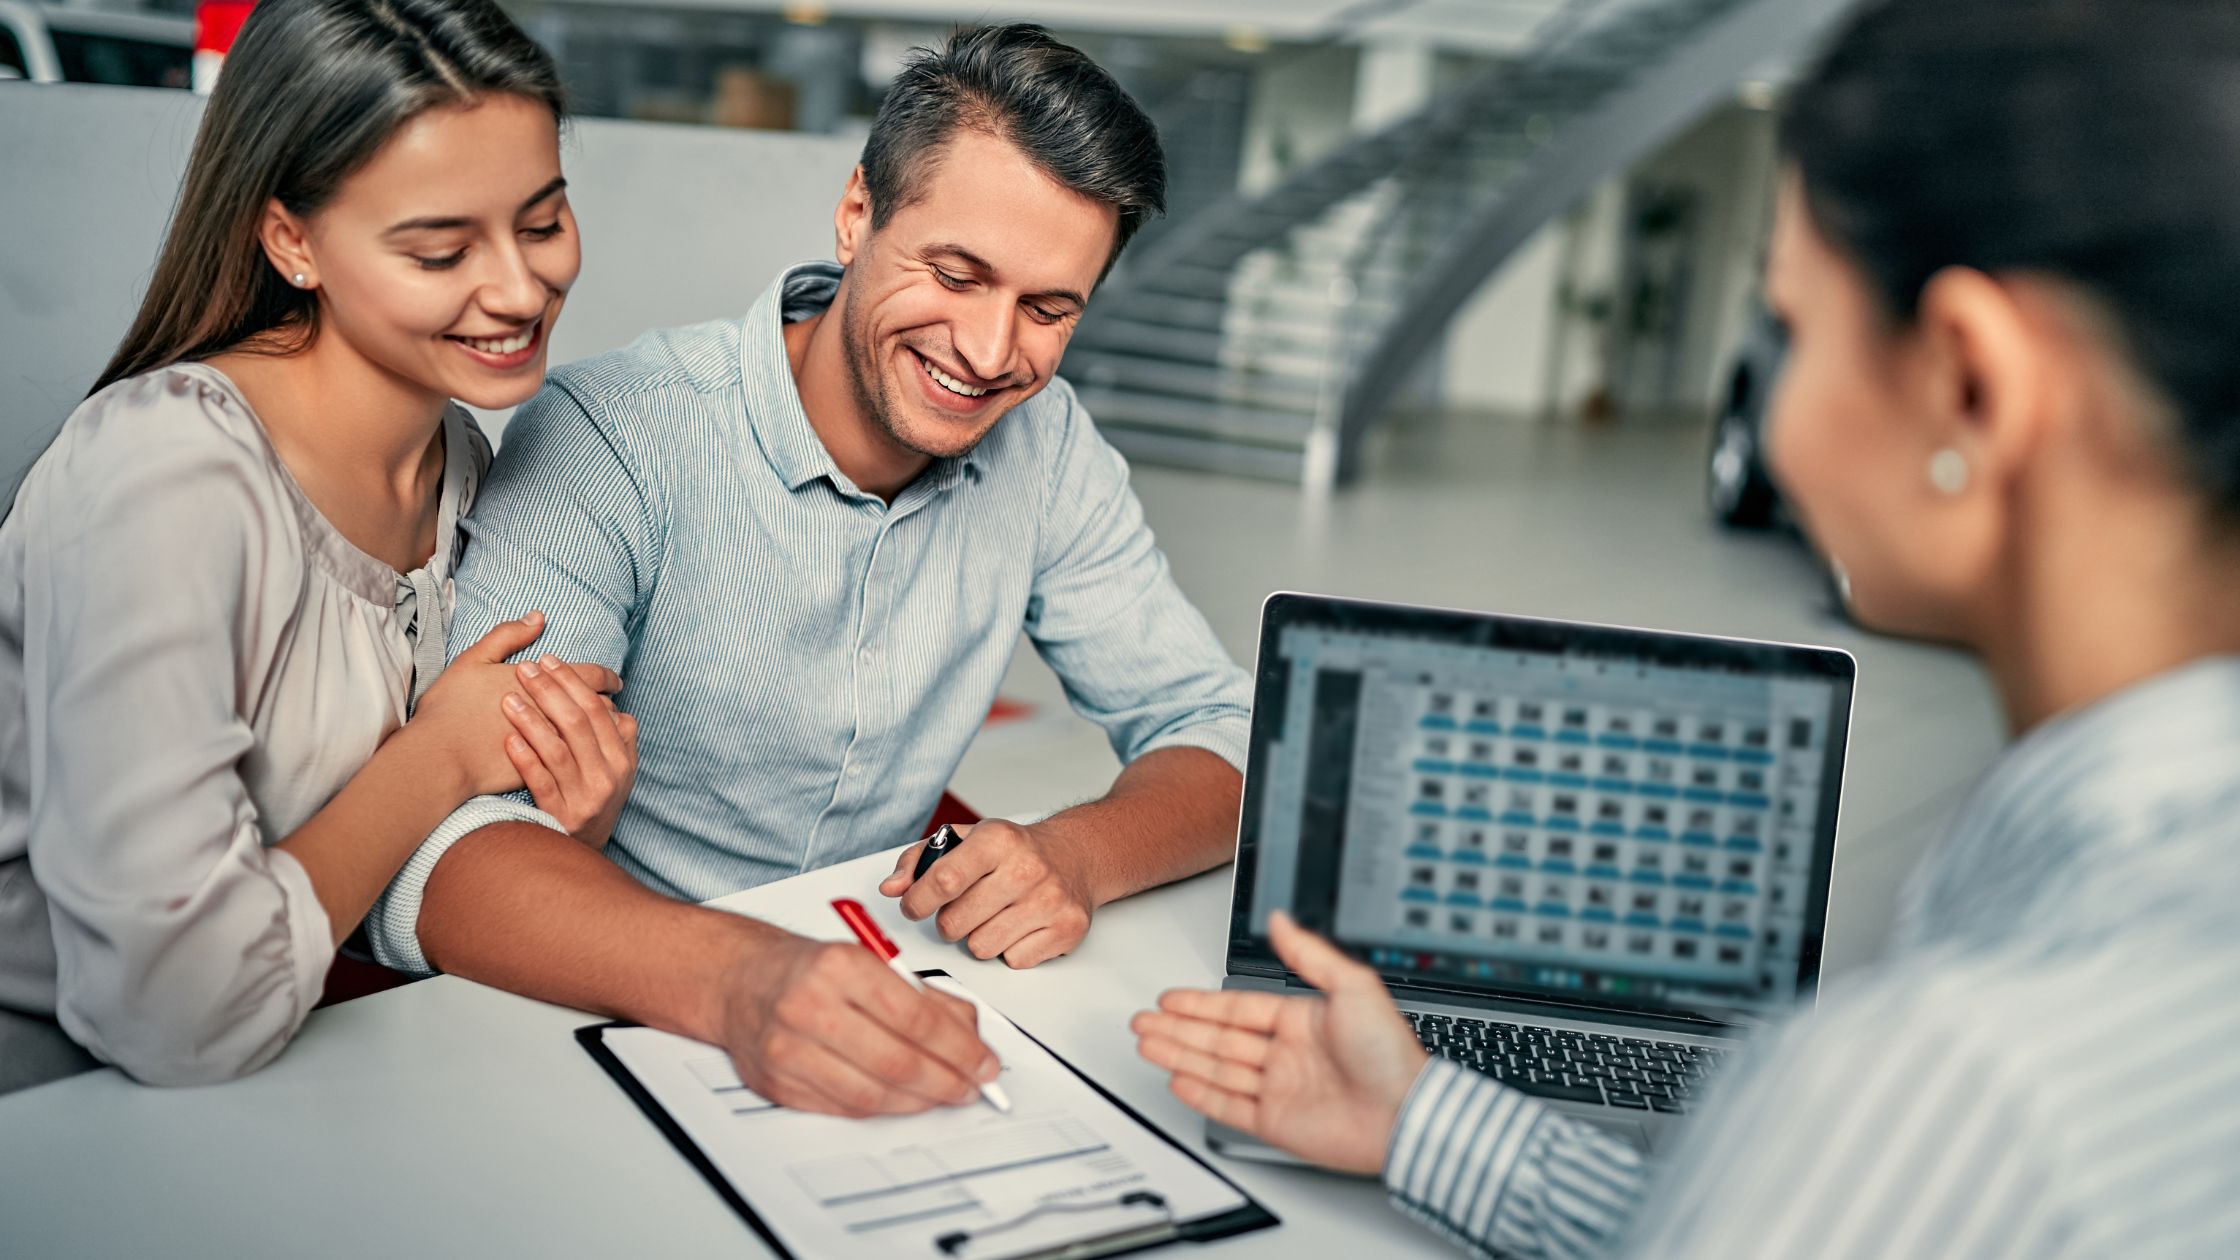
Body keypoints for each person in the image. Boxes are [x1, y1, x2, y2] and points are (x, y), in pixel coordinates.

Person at [1133, 0, 2240, 1253]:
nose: (1771, 421)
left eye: (1791, 330)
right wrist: (1419, 1119)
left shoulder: (1935, 1088)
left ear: (1969, 386)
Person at [353, 23, 1254, 1120]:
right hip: (613, 1014)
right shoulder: (613, 438)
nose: (984, 350)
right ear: (857, 213)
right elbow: (450, 857)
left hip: (883, 990)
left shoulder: (1047, 444)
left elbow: (1216, 730)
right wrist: (743, 978)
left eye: (1045, 309)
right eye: (956, 274)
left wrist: (1078, 854)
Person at [0, 0, 635, 1093]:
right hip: (62, 1096)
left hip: (307, 1061)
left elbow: (422, 857)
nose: (521, 290)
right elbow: (171, 1010)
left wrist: (567, 818)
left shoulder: (463, 459)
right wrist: (437, 759)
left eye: (541, 223)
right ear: (290, 238)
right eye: (442, 249)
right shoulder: (164, 478)